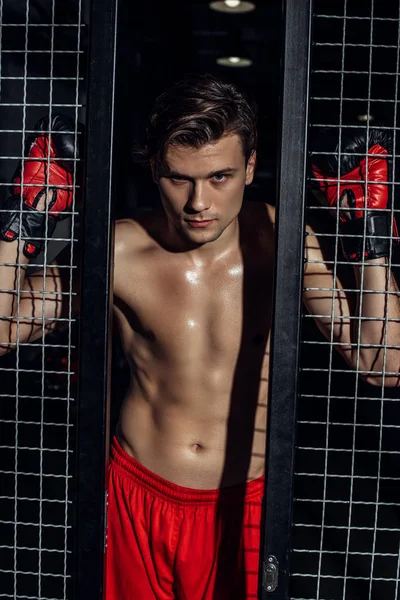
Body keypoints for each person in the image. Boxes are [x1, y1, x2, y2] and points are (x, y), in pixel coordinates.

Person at [0, 74, 399, 600]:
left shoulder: (281, 243)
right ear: (154, 170)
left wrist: (369, 230)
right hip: (137, 494)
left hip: (247, 503)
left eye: (220, 177)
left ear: (251, 168)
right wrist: (23, 221)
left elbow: (382, 363)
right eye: (178, 178)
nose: (197, 202)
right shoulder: (119, 252)